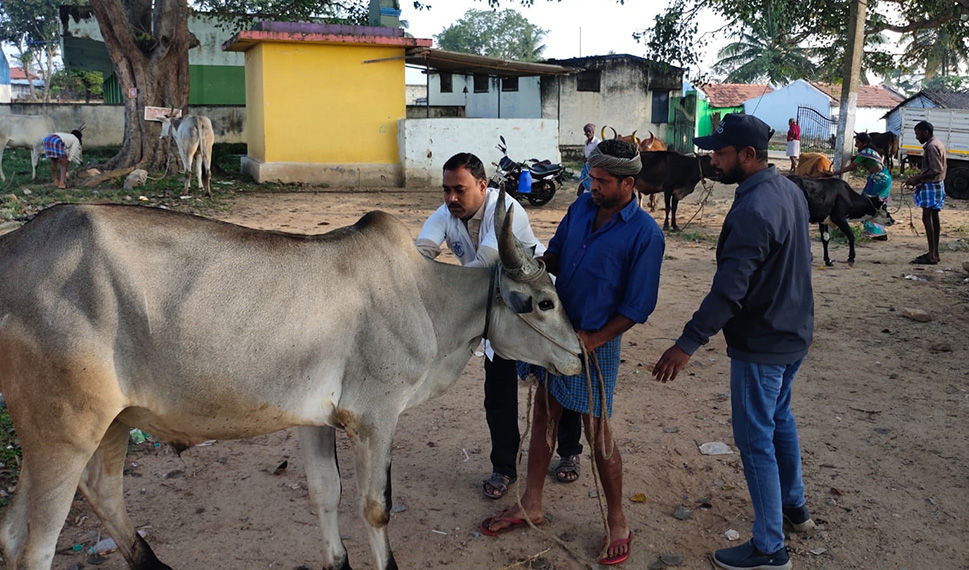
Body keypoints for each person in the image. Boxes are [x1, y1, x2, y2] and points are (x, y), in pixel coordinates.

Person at [481, 139, 664, 566]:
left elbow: (638, 307)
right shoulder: (582, 208)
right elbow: (557, 257)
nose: (592, 186)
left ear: (628, 183)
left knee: (596, 431)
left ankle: (618, 521)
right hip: (556, 331)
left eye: (601, 181)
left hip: (596, 343)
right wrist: (526, 269)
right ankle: (532, 504)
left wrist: (594, 340)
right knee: (543, 414)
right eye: (591, 177)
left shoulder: (645, 234)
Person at [653, 113, 816, 570]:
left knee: (755, 439)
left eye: (721, 154)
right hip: (794, 332)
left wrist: (687, 342)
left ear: (748, 155)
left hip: (762, 341)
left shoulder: (752, 210)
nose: (713, 161)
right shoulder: (788, 190)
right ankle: (794, 507)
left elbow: (730, 290)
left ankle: (769, 548)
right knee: (779, 418)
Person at [415, 152, 584, 500]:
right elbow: (420, 255)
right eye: (446, 190)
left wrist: (440, 291)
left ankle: (569, 451)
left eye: (459, 189)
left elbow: (484, 265)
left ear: (481, 185)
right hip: (492, 313)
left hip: (533, 310)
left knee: (557, 384)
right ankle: (504, 467)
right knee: (498, 395)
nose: (451, 198)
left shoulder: (508, 212)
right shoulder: (446, 213)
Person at [905, 121, 946, 265]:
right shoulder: (937, 143)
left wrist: (917, 178)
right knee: (934, 217)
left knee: (927, 218)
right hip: (937, 184)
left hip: (931, 185)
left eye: (918, 134)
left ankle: (932, 255)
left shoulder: (931, 146)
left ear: (925, 132)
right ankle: (934, 253)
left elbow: (936, 169)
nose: (917, 137)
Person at [856, 147, 892, 240]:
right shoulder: (871, 153)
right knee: (878, 206)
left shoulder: (865, 153)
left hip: (878, 180)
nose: (856, 145)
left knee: (871, 204)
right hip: (883, 178)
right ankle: (880, 231)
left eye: (858, 143)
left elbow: (852, 166)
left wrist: (836, 172)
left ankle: (875, 232)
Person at [577, 123, 600, 196]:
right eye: (586, 132)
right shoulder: (586, 142)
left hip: (593, 166)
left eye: (589, 131)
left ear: (593, 132)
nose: (588, 133)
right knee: (583, 181)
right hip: (586, 166)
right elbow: (587, 153)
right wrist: (584, 157)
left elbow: (599, 155)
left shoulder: (597, 142)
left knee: (591, 183)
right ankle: (581, 198)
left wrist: (589, 159)